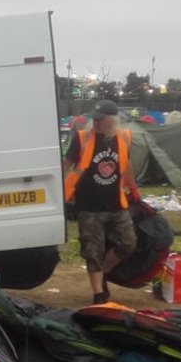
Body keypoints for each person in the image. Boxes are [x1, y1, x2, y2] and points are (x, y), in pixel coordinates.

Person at [63, 99, 141, 305]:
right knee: (92, 251)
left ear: (112, 120)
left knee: (128, 244)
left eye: (100, 119)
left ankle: (104, 272)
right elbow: (67, 164)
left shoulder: (124, 138)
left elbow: (126, 166)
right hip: (89, 206)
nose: (96, 122)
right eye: (94, 118)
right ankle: (99, 294)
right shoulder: (82, 138)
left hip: (116, 203)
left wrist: (133, 188)